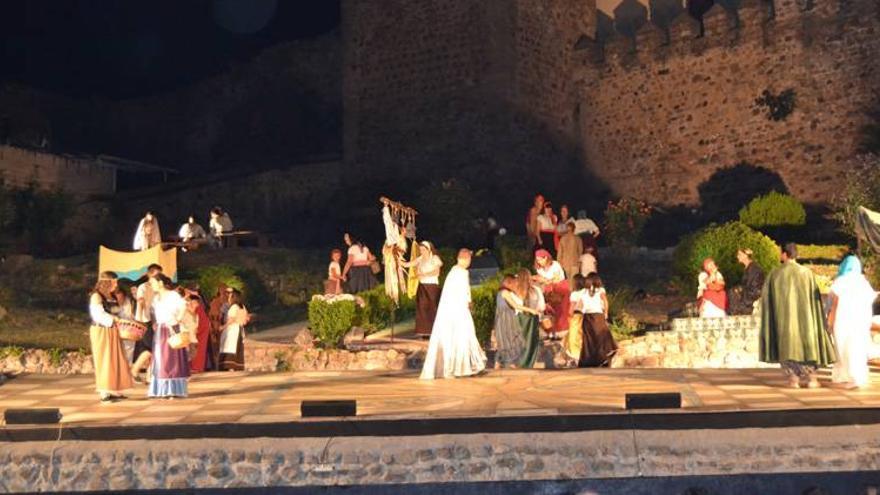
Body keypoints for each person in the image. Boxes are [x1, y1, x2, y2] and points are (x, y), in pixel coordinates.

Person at [760, 243, 835, 389]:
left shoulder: (776, 273)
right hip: (806, 321)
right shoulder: (806, 273)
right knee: (809, 348)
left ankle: (794, 381)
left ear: (784, 254)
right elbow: (816, 299)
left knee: (788, 349)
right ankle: (812, 380)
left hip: (784, 322)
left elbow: (767, 300)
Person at [420, 249, 487, 380]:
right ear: (466, 259)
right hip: (460, 311)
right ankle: (461, 367)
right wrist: (469, 304)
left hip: (450, 312)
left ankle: (455, 367)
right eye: (469, 259)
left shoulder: (453, 271)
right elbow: (465, 292)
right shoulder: (462, 272)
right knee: (464, 336)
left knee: (455, 338)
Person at [827, 255, 877, 389]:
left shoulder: (841, 281)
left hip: (843, 321)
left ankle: (852, 377)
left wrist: (830, 322)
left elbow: (834, 305)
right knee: (857, 348)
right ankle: (855, 376)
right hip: (860, 321)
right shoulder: (863, 282)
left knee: (843, 348)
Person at [88, 272, 134, 402]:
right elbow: (98, 315)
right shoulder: (97, 296)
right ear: (106, 282)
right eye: (113, 281)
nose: (116, 284)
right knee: (104, 360)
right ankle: (104, 391)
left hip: (113, 330)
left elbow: (118, 312)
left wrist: (125, 321)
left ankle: (115, 389)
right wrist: (114, 319)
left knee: (115, 360)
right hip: (102, 330)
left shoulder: (112, 296)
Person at [148, 273, 190, 399]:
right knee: (161, 358)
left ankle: (173, 389)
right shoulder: (156, 298)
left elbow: (183, 306)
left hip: (172, 328)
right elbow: (154, 312)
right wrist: (155, 322)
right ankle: (161, 389)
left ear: (160, 283)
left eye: (153, 283)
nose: (152, 286)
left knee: (172, 359)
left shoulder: (173, 295)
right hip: (161, 329)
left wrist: (177, 319)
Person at [493, 275, 541, 369]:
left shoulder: (501, 293)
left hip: (504, 320)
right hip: (506, 322)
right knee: (510, 342)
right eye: (515, 283)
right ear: (509, 283)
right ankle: (510, 365)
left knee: (505, 343)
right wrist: (531, 310)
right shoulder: (505, 293)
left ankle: (501, 365)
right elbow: (515, 305)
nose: (516, 285)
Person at [401, 241, 443, 338]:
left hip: (432, 287)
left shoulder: (434, 258)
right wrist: (398, 260)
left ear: (428, 249)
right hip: (422, 286)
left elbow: (436, 272)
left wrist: (424, 274)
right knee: (422, 309)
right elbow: (408, 264)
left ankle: (434, 331)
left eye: (423, 249)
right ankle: (424, 331)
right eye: (420, 250)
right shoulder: (420, 259)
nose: (422, 251)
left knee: (432, 308)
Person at [132, 264, 163, 383]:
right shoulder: (143, 287)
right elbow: (140, 303)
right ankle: (136, 370)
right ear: (150, 274)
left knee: (151, 348)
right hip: (146, 320)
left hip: (157, 320)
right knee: (151, 348)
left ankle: (149, 375)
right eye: (156, 274)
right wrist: (138, 321)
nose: (158, 276)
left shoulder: (159, 287)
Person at [577, 273, 616, 367]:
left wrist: (580, 312)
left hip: (588, 316)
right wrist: (606, 313)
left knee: (590, 338)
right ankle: (602, 357)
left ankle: (591, 359)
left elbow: (580, 305)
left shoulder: (584, 291)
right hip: (597, 316)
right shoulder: (597, 290)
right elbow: (605, 301)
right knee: (600, 336)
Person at [533, 249, 570, 340]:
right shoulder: (539, 268)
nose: (539, 262)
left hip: (560, 289)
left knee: (561, 311)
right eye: (537, 260)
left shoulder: (555, 265)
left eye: (541, 259)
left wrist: (544, 280)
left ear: (546, 258)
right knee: (549, 311)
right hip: (549, 291)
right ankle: (551, 331)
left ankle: (561, 331)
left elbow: (557, 279)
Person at [728, 248, 765, 315]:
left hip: (751, 299)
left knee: (732, 292)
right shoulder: (748, 268)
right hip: (747, 297)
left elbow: (754, 288)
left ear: (745, 255)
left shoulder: (754, 268)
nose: (737, 256)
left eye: (739, 254)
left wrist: (739, 291)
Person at [219, 288, 248, 371]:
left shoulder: (233, 307)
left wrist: (223, 327)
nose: (229, 298)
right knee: (236, 347)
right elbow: (246, 319)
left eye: (231, 296)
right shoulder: (242, 307)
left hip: (232, 329)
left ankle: (229, 365)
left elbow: (231, 319)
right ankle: (237, 365)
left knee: (229, 346)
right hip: (239, 328)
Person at [186, 292, 212, 374]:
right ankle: (197, 366)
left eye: (191, 302)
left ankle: (196, 367)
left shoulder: (197, 308)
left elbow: (193, 314)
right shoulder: (199, 307)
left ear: (196, 302)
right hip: (202, 329)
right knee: (200, 349)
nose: (190, 303)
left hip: (201, 329)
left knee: (199, 349)